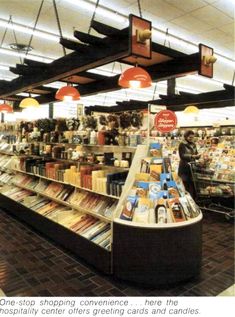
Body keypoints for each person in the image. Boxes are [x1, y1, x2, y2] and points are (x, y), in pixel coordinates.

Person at [178, 130, 201, 199]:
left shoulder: (194, 144)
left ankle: (192, 199)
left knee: (192, 184)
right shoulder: (182, 144)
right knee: (185, 184)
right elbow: (182, 155)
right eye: (190, 137)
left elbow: (196, 153)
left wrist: (199, 156)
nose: (191, 139)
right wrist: (192, 156)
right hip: (184, 168)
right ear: (186, 137)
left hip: (192, 167)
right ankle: (185, 200)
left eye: (192, 137)